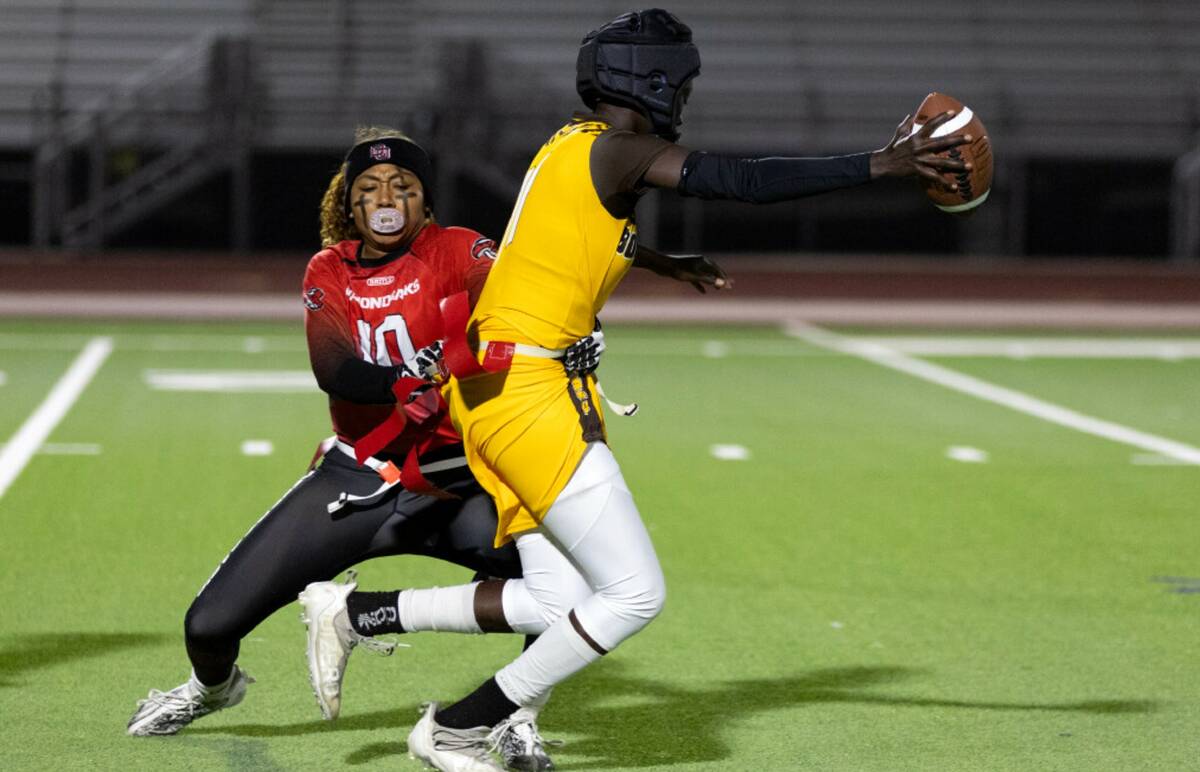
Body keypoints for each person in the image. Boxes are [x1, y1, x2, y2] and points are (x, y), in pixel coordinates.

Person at [300, 8, 972, 771]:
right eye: (678, 81)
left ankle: (355, 615)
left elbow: (565, 240)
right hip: (527, 395)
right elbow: (739, 181)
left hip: (495, 388)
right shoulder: (621, 150)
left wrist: (660, 262)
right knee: (633, 594)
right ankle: (459, 725)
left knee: (555, 602)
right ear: (649, 80)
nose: (682, 96)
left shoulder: (573, 144)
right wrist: (882, 164)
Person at [125, 127, 579, 770]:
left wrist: (573, 336)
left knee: (553, 580)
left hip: (457, 480)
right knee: (207, 625)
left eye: (404, 186)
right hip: (361, 477)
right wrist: (404, 381)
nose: (387, 196)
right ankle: (211, 688)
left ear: (425, 203)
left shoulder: (458, 250)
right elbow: (333, 368)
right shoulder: (328, 268)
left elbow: (524, 297)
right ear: (349, 202)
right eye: (370, 187)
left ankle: (514, 716)